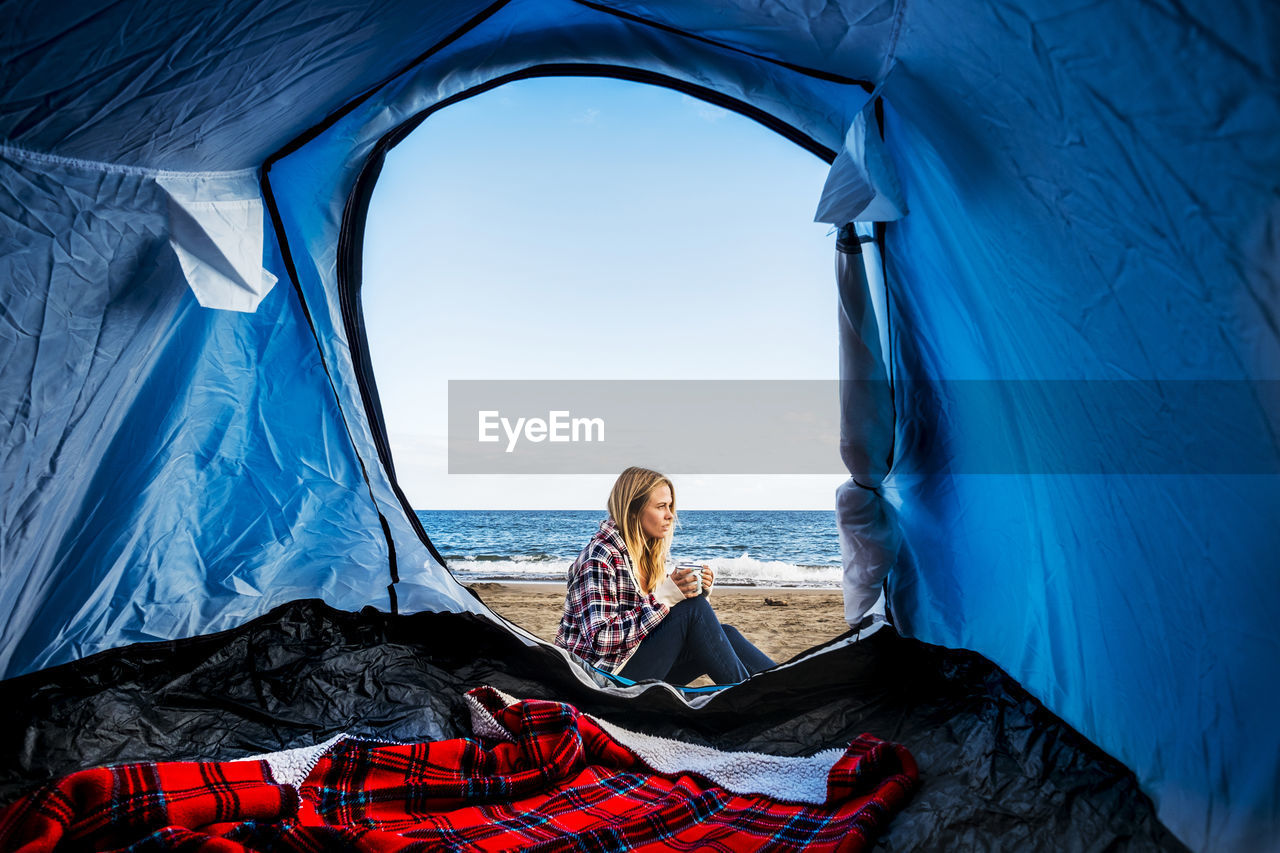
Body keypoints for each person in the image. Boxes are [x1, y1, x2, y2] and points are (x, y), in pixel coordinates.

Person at [555, 466, 775, 685]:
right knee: (693, 610)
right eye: (661, 506)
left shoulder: (645, 555)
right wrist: (666, 597)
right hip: (600, 678)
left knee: (725, 633)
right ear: (632, 510)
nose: (670, 515)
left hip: (634, 663)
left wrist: (696, 592)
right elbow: (600, 639)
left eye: (670, 506)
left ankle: (786, 687)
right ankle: (750, 703)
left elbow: (663, 625)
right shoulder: (600, 555)